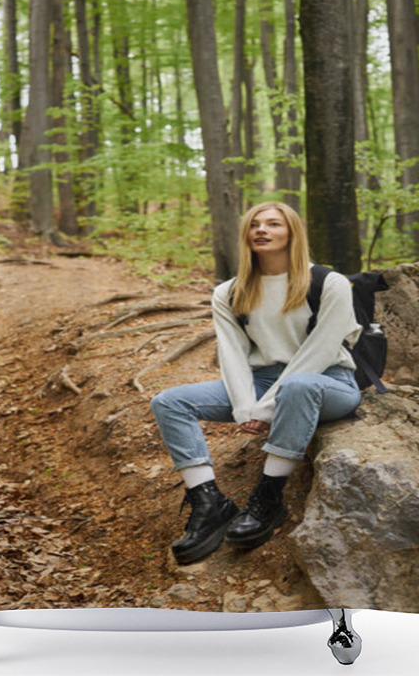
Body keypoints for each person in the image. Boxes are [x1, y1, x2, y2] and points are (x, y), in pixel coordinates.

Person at [150, 202, 362, 565]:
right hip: (263, 381)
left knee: (299, 387)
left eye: (274, 224)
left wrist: (265, 410)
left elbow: (322, 349)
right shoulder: (229, 292)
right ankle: (208, 503)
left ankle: (268, 499)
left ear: (292, 233)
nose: (262, 230)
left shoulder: (329, 282)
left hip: (327, 381)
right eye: (255, 225)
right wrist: (244, 405)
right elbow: (232, 355)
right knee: (169, 402)